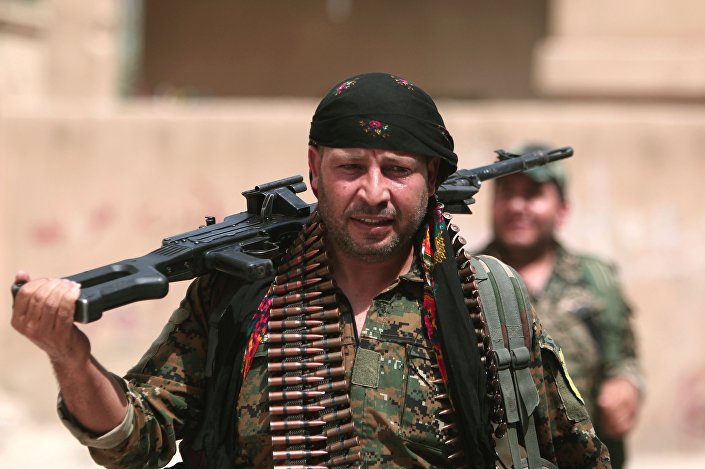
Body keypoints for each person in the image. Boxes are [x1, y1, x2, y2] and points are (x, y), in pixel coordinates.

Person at [11, 74, 611, 468]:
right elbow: (136, 442)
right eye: (350, 167)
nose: (373, 192)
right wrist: (71, 357)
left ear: (432, 178)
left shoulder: (486, 298)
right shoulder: (242, 294)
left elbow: (576, 456)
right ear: (314, 169)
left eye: (397, 169)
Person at [477, 144, 643, 469]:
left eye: (532, 194)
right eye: (507, 193)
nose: (517, 206)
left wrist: (626, 386)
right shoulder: (465, 278)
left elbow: (624, 360)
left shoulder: (595, 279)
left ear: (563, 209)